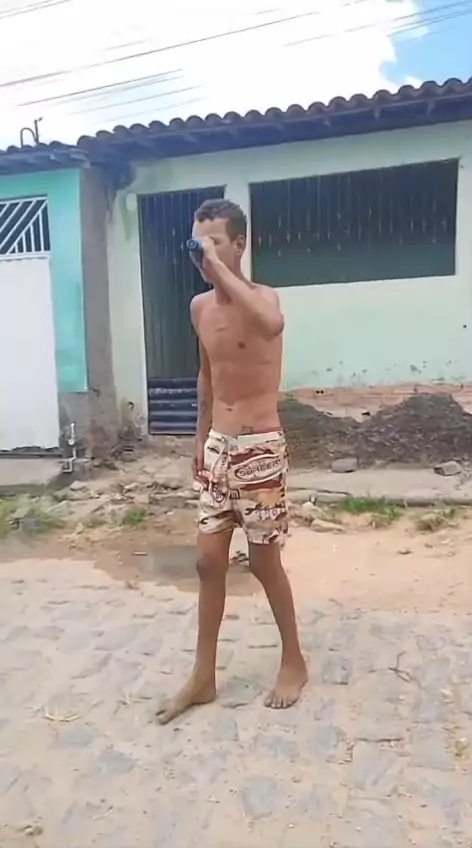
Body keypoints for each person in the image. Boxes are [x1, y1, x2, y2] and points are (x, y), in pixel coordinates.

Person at [156, 198, 307, 725]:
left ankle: (294, 660)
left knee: (264, 563)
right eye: (198, 242)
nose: (202, 252)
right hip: (219, 447)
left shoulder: (262, 298)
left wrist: (220, 270)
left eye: (215, 242)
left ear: (240, 245)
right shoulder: (199, 308)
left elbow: (272, 324)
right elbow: (207, 374)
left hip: (260, 449)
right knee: (207, 562)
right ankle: (203, 676)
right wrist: (199, 439)